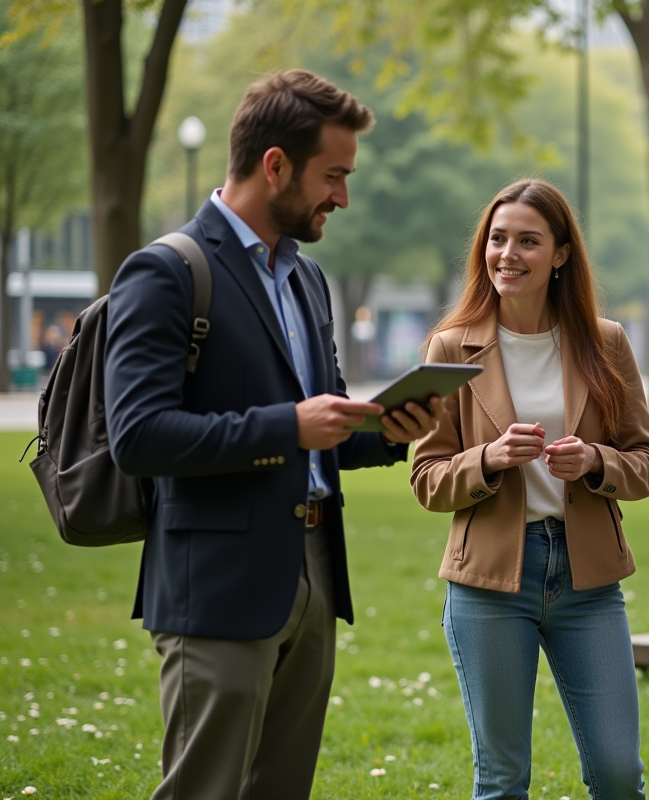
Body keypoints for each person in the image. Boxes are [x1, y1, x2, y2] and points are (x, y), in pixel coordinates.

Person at [105, 70, 444, 800]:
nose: (343, 198)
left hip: (313, 575)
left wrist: (388, 434)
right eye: (334, 176)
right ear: (275, 165)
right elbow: (138, 435)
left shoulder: (308, 280)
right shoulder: (165, 273)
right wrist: (287, 427)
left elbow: (321, 431)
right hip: (218, 587)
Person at [410, 178, 649, 800]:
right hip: (492, 584)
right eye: (498, 239)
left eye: (528, 240)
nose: (508, 254)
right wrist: (490, 459)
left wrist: (597, 462)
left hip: (589, 584)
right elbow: (426, 478)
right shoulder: (451, 346)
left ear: (560, 254)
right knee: (502, 779)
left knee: (617, 772)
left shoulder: (604, 343)